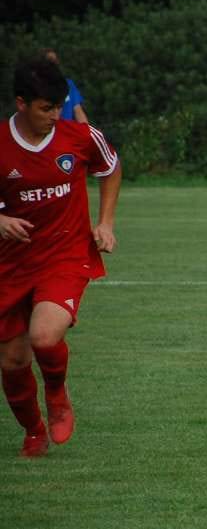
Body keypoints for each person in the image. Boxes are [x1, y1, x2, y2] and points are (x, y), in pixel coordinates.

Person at [0, 56, 121, 457]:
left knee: (44, 336)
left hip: (66, 253)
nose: (55, 115)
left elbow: (111, 167)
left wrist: (105, 223)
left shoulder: (80, 136)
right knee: (14, 361)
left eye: (59, 106)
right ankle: (34, 429)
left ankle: (57, 393)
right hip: (11, 263)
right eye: (45, 108)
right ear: (21, 103)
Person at [42, 49, 89, 124]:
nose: (54, 62)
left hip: (66, 132)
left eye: (55, 60)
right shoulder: (37, 86)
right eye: (50, 60)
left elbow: (78, 111)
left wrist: (87, 132)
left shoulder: (68, 84)